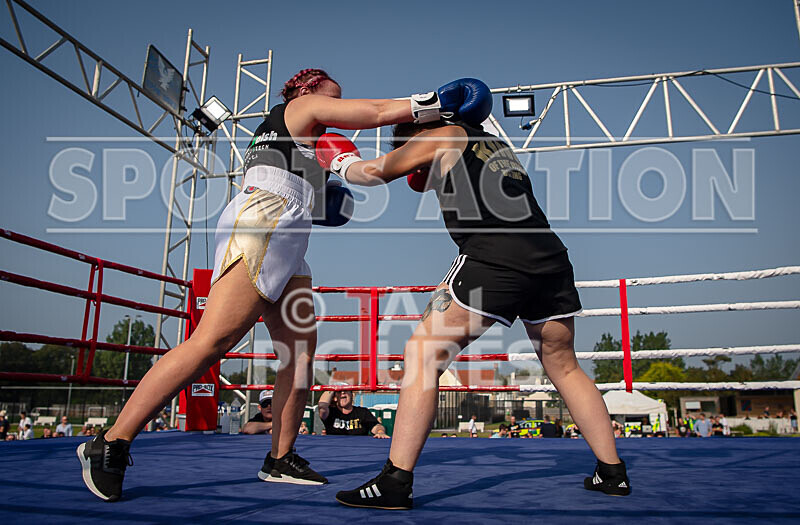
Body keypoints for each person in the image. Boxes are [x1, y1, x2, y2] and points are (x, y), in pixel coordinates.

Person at [76, 69, 484, 501]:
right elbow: (377, 112)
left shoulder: (305, 142)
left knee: (300, 353)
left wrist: (328, 185)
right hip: (264, 219)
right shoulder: (299, 108)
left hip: (288, 230)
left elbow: (327, 199)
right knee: (212, 340)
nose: (336, 109)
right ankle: (111, 442)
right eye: (334, 98)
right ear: (308, 90)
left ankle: (280, 457)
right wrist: (437, 102)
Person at [323, 110, 630, 510]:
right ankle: (612, 473)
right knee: (565, 366)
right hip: (551, 259)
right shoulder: (498, 147)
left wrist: (336, 159)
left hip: (493, 257)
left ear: (421, 127)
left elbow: (374, 172)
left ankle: (395, 482)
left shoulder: (441, 135)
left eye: (406, 142)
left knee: (421, 355)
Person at [318, 390, 389, 438]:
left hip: (359, 450)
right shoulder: (330, 412)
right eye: (339, 391)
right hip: (334, 449)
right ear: (335, 398)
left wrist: (380, 432)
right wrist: (332, 387)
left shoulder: (363, 412)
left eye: (346, 391)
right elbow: (322, 405)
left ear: (352, 395)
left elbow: (376, 426)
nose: (342, 393)